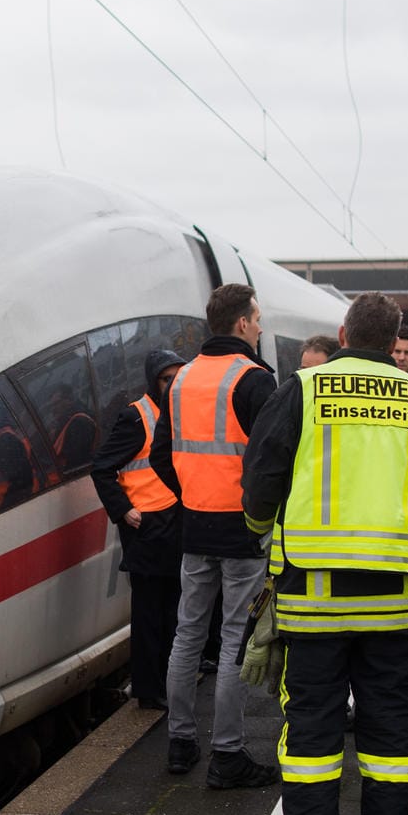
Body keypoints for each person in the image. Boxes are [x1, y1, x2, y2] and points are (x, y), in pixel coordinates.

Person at [242, 293, 408, 815]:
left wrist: (259, 528)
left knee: (313, 721)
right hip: (398, 603)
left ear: (344, 333)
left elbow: (263, 477)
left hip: (314, 600)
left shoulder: (303, 389)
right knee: (392, 721)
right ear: (394, 335)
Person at [149, 283, 280, 789]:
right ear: (243, 323)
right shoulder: (253, 379)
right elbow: (270, 462)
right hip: (243, 529)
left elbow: (163, 453)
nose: (261, 326)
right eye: (257, 318)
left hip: (194, 523)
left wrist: (190, 495)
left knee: (187, 635)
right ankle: (228, 754)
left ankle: (181, 743)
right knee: (232, 640)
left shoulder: (181, 380)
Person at [91, 350, 188, 710]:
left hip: (175, 523)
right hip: (148, 529)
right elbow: (102, 467)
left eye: (179, 377)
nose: (173, 384)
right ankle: (149, 689)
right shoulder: (137, 416)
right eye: (166, 378)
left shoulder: (178, 413)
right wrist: (124, 511)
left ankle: (165, 681)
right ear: (152, 380)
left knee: (174, 611)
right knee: (150, 614)